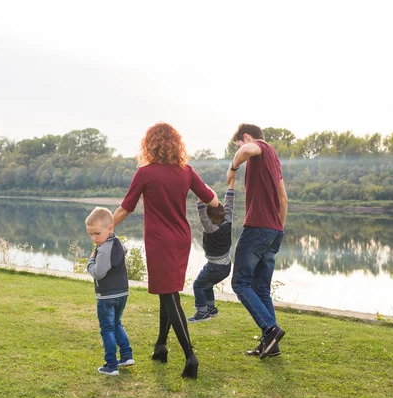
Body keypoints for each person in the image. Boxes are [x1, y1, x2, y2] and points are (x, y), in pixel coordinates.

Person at [113, 122, 219, 379]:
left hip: (159, 241)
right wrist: (219, 211)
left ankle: (190, 356)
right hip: (181, 238)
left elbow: (127, 207)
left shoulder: (145, 173)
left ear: (149, 144)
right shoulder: (187, 172)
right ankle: (161, 346)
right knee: (166, 292)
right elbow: (212, 200)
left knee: (169, 294)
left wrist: (106, 228)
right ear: (175, 144)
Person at [227, 123, 288, 359]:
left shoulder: (259, 147)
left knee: (240, 283)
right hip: (274, 230)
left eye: (238, 144)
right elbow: (284, 199)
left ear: (245, 137)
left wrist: (233, 169)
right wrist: (279, 230)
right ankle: (272, 345)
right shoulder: (275, 161)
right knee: (261, 288)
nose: (240, 148)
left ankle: (270, 330)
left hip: (257, 229)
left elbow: (246, 151)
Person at [85, 206, 134, 376]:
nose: (93, 238)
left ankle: (111, 365)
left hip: (107, 296)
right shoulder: (117, 242)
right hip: (122, 293)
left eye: (97, 234)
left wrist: (90, 262)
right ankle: (127, 355)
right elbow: (123, 252)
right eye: (91, 234)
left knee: (107, 329)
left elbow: (98, 273)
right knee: (116, 323)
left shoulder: (104, 248)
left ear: (110, 227)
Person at [187, 176, 235, 323]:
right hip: (226, 266)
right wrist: (231, 182)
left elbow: (201, 213)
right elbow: (229, 202)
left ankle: (202, 313)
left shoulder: (211, 229)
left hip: (214, 267)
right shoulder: (228, 220)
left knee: (198, 285)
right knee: (206, 284)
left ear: (209, 218)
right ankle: (211, 309)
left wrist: (200, 193)